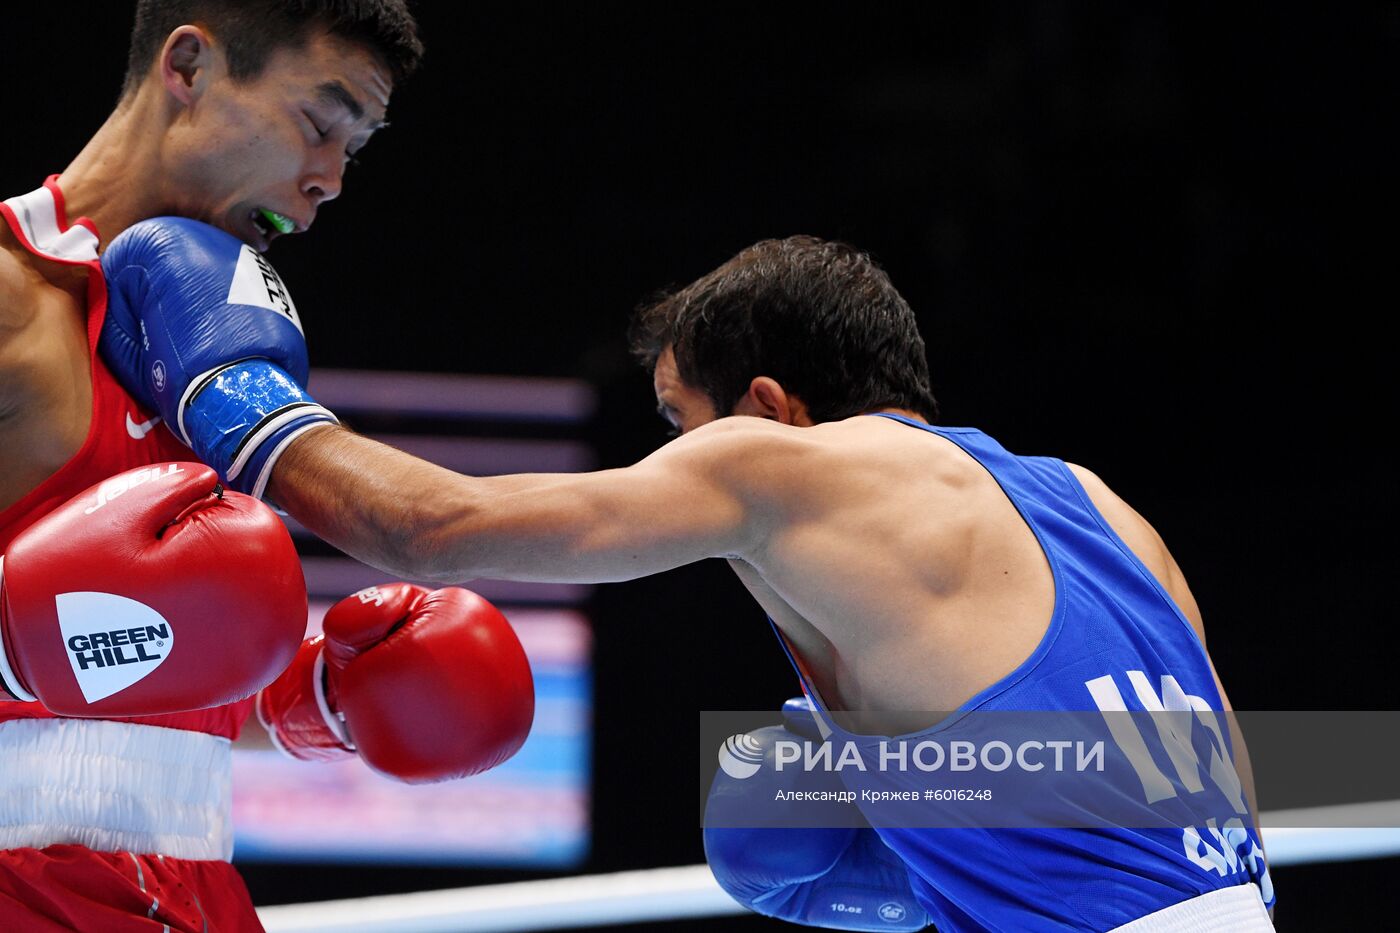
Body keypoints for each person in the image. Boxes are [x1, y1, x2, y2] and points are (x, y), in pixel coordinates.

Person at [103, 226, 1276, 928]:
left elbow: (432, 525)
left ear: (764, 408)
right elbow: (1191, 808)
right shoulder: (1098, 506)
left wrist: (228, 389)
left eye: (678, 424)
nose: (674, 463)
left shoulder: (781, 468)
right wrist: (926, 851)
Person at [0, 3, 533, 930]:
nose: (328, 181)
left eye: (354, 153)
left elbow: (134, 667)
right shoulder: (8, 302)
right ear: (189, 67)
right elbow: (52, 645)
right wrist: (10, 651)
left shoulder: (220, 356)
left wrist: (312, 700)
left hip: (198, 889)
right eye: (319, 125)